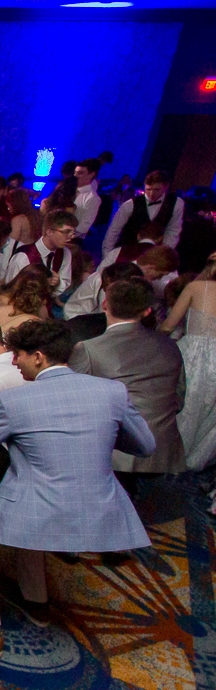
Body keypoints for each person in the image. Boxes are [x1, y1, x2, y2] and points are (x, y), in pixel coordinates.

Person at [0, 319, 155, 658]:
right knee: (30, 524)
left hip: (37, 508)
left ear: (38, 357)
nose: (14, 362)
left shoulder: (14, 400)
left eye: (19, 355)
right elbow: (145, 446)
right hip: (100, 514)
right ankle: (37, 602)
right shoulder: (112, 392)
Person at [70, 278, 185, 497]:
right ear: (147, 311)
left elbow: (72, 402)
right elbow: (178, 399)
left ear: (105, 304)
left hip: (110, 450)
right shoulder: (170, 346)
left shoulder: (89, 349)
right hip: (162, 448)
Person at [159, 256, 216, 473]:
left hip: (194, 354)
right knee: (209, 411)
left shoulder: (195, 287)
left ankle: (167, 457)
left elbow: (168, 326)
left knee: (183, 403)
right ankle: (191, 459)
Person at [103, 170, 184, 256]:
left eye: (157, 190)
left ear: (166, 187)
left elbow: (173, 231)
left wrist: (161, 254)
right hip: (127, 251)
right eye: (148, 189)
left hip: (153, 254)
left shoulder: (176, 204)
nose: (152, 194)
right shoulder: (130, 204)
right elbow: (113, 231)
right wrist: (106, 255)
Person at [5, 210, 77, 296]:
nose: (72, 237)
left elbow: (65, 282)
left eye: (73, 232)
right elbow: (11, 289)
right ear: (49, 232)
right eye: (66, 232)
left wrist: (58, 283)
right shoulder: (23, 256)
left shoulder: (65, 253)